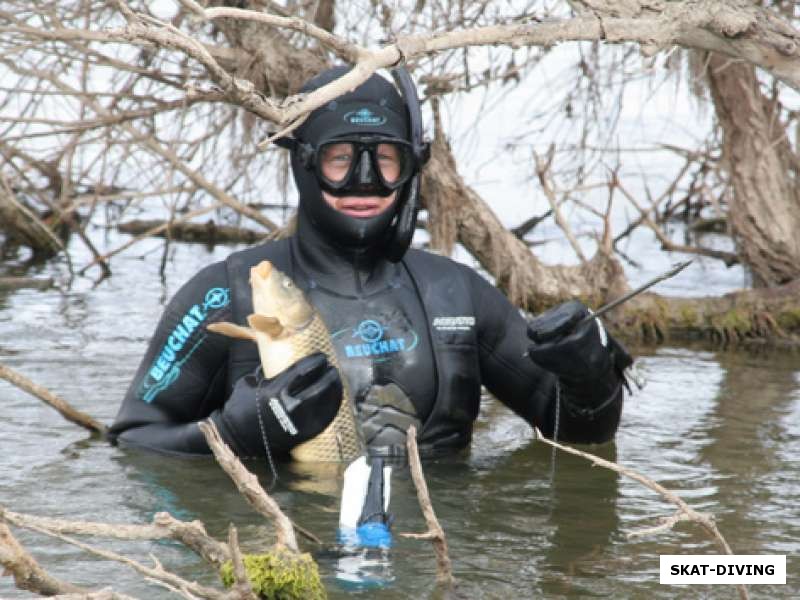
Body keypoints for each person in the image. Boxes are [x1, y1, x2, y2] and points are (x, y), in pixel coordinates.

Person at [109, 66, 632, 459]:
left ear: (410, 169)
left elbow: (579, 434)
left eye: (385, 160)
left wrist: (591, 375)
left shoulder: (455, 292)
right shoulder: (232, 292)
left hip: (438, 556)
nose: (364, 181)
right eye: (341, 159)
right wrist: (236, 434)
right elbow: (134, 441)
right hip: (297, 549)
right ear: (304, 162)